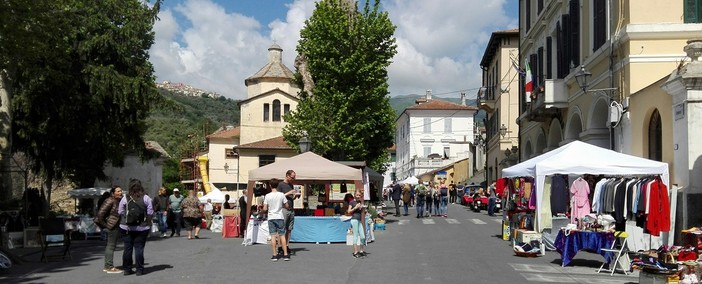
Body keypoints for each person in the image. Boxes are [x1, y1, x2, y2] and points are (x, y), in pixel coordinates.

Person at [118, 179, 153, 276]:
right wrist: (148, 224)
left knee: (127, 248)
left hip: (126, 227)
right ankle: (139, 270)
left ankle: (127, 269)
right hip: (142, 227)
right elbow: (150, 212)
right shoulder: (146, 198)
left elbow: (120, 211)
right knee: (139, 249)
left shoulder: (125, 198)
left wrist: (126, 217)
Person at [96, 186, 123, 274]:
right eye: (118, 191)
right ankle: (109, 267)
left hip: (113, 226)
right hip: (111, 226)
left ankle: (108, 266)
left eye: (121, 191)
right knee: (111, 246)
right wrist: (106, 226)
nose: (120, 193)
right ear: (113, 193)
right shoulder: (110, 200)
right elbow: (100, 214)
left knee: (111, 245)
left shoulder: (116, 201)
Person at [262, 178, 289, 261]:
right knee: (282, 235)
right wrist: (282, 206)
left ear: (270, 185)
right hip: (279, 216)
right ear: (277, 185)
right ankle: (285, 254)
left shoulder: (267, 196)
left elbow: (265, 208)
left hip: (271, 217)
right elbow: (287, 206)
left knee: (273, 236)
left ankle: (274, 254)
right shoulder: (281, 195)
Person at [277, 170, 299, 255]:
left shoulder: (291, 185)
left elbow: (290, 198)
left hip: (291, 209)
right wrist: (289, 193)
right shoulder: (281, 184)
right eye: (292, 177)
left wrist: (295, 196)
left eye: (294, 177)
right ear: (287, 176)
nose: (294, 179)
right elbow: (278, 197)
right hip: (283, 209)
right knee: (282, 229)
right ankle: (280, 247)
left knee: (289, 229)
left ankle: (286, 245)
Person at [347, 191, 366, 258]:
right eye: (357, 195)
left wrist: (363, 209)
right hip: (354, 220)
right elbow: (348, 211)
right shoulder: (352, 202)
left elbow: (362, 212)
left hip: (359, 220)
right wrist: (355, 207)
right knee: (355, 235)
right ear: (354, 195)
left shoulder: (360, 202)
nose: (358, 196)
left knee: (363, 236)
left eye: (359, 195)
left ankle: (361, 250)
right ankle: (355, 252)